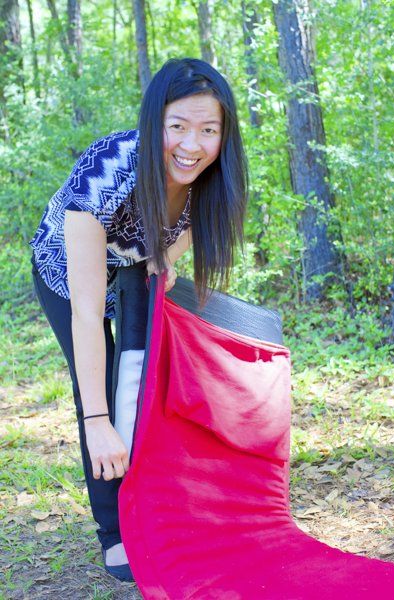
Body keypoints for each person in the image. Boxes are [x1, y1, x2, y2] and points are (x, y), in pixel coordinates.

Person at [29, 57, 248, 582]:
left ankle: (156, 499)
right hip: (67, 276)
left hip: (133, 268)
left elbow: (176, 247)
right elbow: (87, 314)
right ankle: (113, 531)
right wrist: (97, 423)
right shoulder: (107, 170)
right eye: (178, 126)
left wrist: (160, 268)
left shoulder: (215, 180)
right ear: (154, 123)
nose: (192, 144)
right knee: (100, 388)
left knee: (147, 380)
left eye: (209, 130)